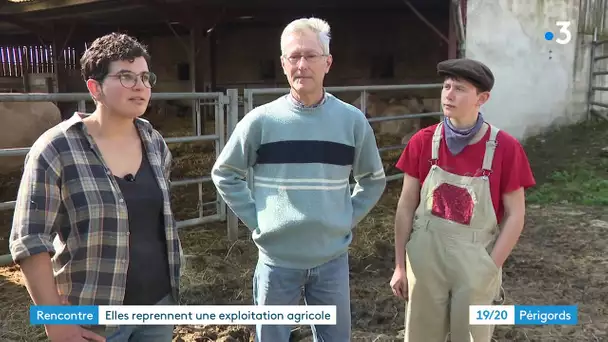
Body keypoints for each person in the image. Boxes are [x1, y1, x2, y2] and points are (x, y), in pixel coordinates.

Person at [211, 17, 386, 342]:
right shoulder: (261, 122)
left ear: (328, 62)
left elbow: (373, 179)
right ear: (282, 63)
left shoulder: (351, 121)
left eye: (311, 55)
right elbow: (225, 173)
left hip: (331, 259)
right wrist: (258, 218)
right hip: (278, 262)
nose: (302, 64)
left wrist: (345, 217)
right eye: (293, 56)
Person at [9, 32, 182, 342]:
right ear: (95, 88)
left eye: (145, 77)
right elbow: (30, 240)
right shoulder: (56, 149)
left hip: (158, 307)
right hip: (92, 317)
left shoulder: (154, 142)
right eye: (126, 77)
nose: (140, 86)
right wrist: (56, 322)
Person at [390, 58, 536, 342]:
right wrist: (399, 266)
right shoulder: (422, 141)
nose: (449, 94)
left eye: (459, 88)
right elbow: (406, 205)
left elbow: (516, 214)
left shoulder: (506, 148)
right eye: (446, 86)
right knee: (420, 336)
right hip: (425, 258)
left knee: (472, 336)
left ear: (482, 98)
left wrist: (491, 267)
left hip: (475, 261)